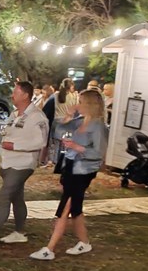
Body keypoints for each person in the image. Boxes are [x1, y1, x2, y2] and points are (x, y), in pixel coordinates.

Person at [30, 89, 109, 260]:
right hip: (70, 167)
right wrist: (67, 117)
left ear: (90, 104)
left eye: (80, 102)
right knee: (75, 208)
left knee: (65, 207)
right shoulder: (79, 121)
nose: (77, 105)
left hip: (84, 171)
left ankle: (49, 249)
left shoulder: (99, 126)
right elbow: (58, 132)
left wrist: (77, 147)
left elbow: (98, 153)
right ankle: (84, 242)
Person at [0, 81, 49, 248]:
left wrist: (15, 146)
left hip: (22, 164)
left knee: (5, 196)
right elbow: (7, 133)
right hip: (8, 162)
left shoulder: (37, 117)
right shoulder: (14, 114)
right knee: (17, 197)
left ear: (25, 95)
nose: (12, 96)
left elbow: (41, 142)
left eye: (15, 93)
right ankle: (19, 232)